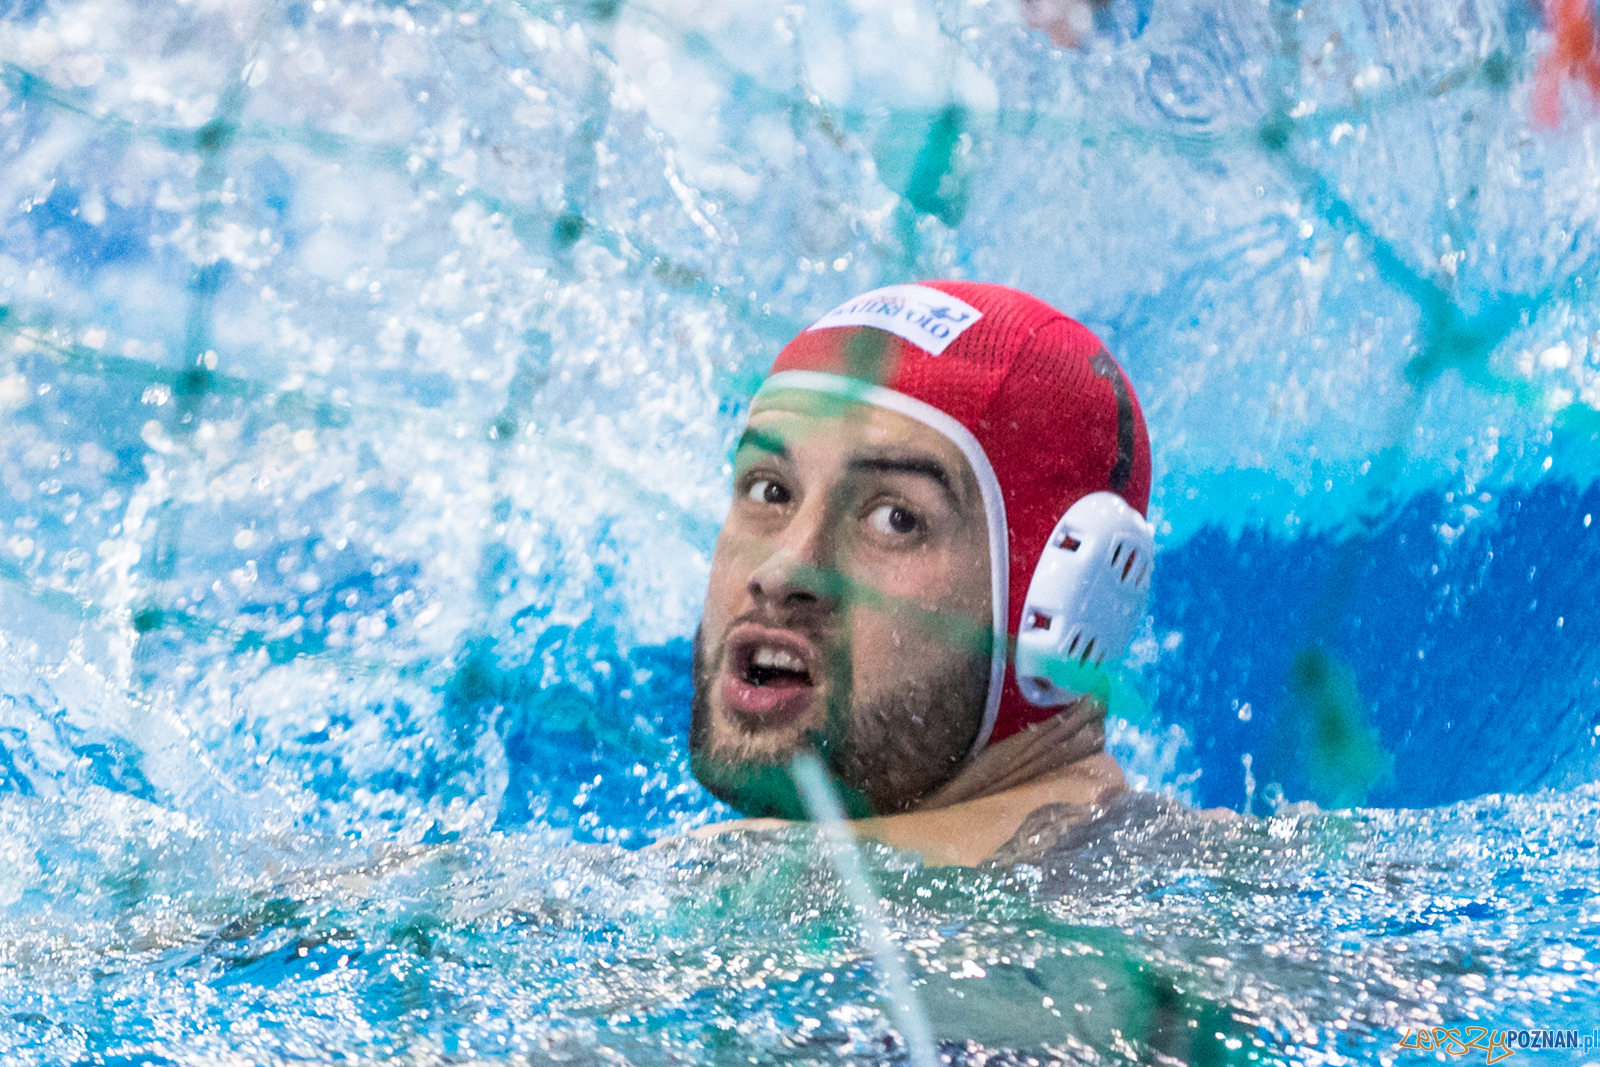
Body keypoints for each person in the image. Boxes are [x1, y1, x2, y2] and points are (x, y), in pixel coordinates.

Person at [688, 281, 1157, 866]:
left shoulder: (1174, 900)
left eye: (895, 519)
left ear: (1059, 600)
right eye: (771, 490)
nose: (784, 570)